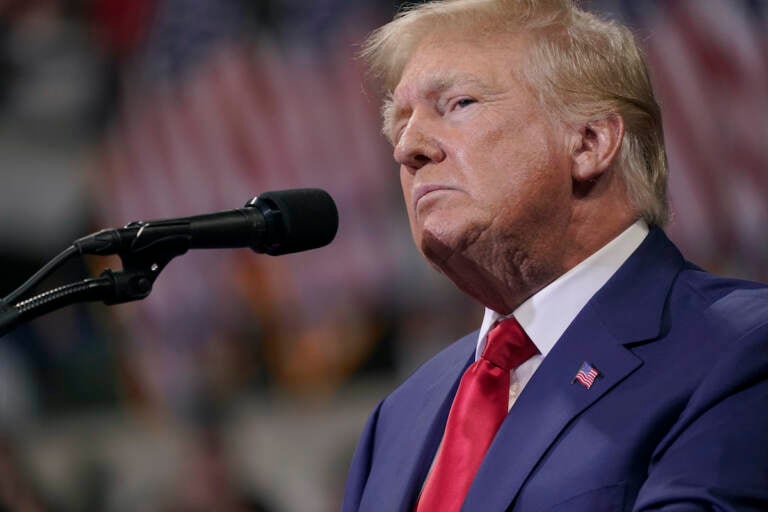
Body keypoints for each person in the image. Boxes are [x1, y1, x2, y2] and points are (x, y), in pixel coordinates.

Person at [341, 1, 768, 511]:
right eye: (400, 122)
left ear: (589, 142)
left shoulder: (740, 350)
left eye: (457, 104)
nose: (407, 147)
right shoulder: (398, 418)